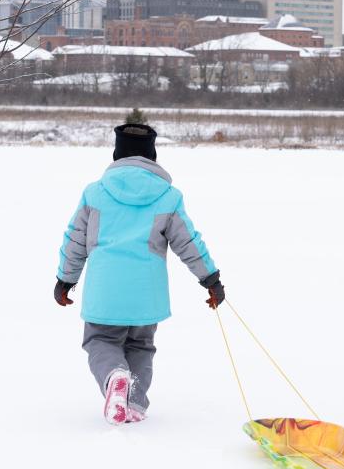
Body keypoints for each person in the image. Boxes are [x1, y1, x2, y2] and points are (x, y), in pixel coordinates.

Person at [53, 122, 225, 425]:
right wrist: (210, 279)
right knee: (140, 346)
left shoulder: (95, 193)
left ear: (117, 155)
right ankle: (133, 404)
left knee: (100, 341)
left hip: (105, 292)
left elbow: (75, 238)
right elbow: (188, 241)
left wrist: (66, 279)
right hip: (147, 296)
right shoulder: (168, 197)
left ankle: (114, 378)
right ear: (152, 156)